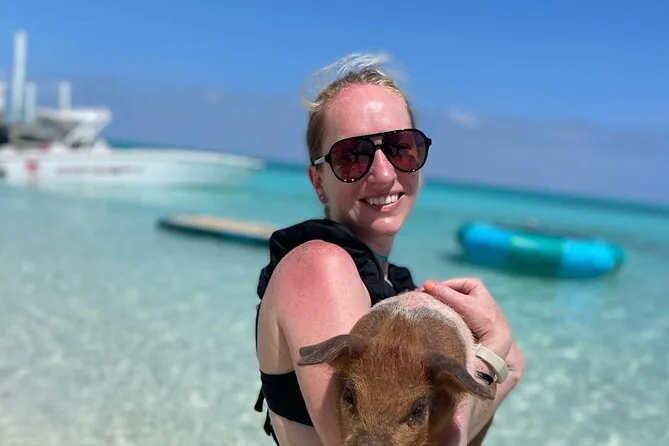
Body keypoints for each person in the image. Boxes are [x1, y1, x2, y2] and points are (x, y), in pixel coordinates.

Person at [253, 53, 525, 445]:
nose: (383, 174)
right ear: (318, 181)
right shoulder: (319, 267)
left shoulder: (393, 287)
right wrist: (496, 357)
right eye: (351, 156)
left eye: (401, 148)